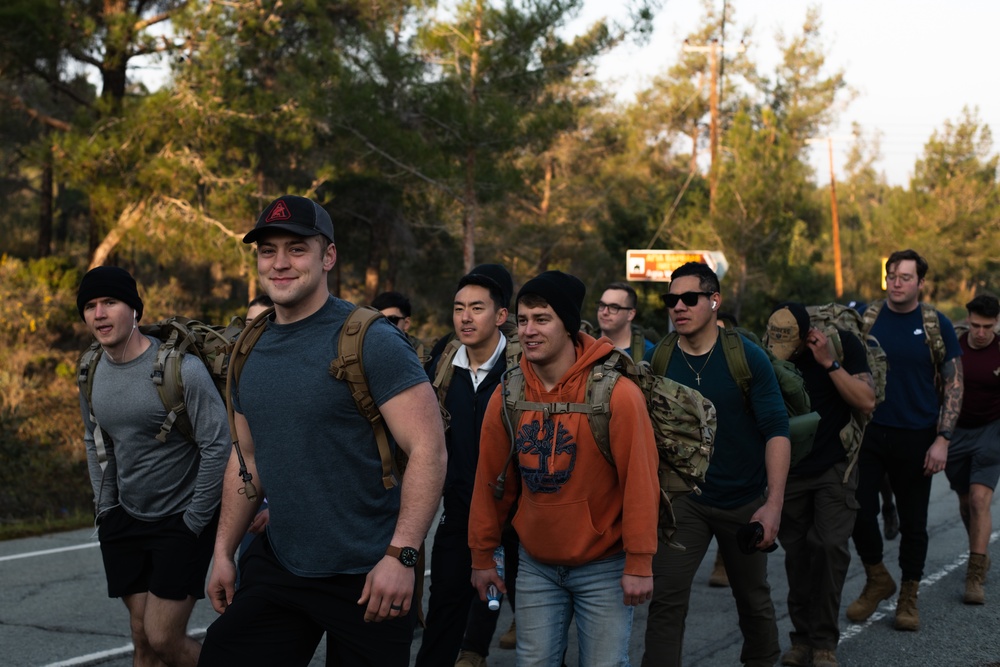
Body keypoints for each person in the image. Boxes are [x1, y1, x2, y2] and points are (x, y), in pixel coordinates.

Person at [198, 194, 447, 666]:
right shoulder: (249, 347)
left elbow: (428, 450)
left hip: (369, 573)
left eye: (296, 249)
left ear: (327, 256)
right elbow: (247, 456)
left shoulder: (371, 340)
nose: (280, 263)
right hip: (282, 562)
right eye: (268, 250)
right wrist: (224, 551)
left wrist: (403, 557)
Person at [468, 270, 659, 666]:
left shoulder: (617, 395)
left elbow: (641, 484)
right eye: (522, 320)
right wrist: (482, 556)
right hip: (536, 566)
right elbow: (490, 483)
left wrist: (640, 562)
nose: (529, 331)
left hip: (604, 566)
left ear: (568, 324)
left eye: (542, 318)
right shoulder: (509, 393)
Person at [77, 266, 229, 667]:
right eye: (90, 306)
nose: (100, 314)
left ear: (135, 311)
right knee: (141, 637)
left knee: (163, 638)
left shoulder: (183, 371)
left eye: (110, 302)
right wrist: (105, 508)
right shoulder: (89, 370)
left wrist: (195, 521)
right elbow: (95, 442)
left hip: (180, 520)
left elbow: (219, 445)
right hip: (125, 517)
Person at [643, 261, 790, 667]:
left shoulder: (747, 358)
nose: (678, 307)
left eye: (689, 298)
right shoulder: (660, 359)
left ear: (714, 301)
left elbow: (777, 429)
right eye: (671, 299)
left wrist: (772, 504)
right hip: (684, 499)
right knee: (665, 602)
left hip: (742, 497)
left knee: (753, 601)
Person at [847, 249, 963, 631]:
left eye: (905, 277)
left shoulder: (936, 324)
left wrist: (943, 439)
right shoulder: (867, 319)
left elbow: (954, 385)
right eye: (892, 276)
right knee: (858, 511)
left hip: (918, 436)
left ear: (920, 283)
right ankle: (878, 576)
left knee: (914, 523)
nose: (896, 283)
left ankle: (908, 596)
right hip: (870, 432)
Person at [764, 303, 875, 667]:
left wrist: (830, 363)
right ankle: (801, 639)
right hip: (791, 469)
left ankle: (824, 642)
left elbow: (866, 401)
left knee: (828, 547)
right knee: (798, 558)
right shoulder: (767, 351)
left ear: (807, 335)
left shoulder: (840, 345)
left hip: (833, 468)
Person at [416, 264, 514, 667]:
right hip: (459, 512)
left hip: (518, 517)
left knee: (536, 616)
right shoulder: (441, 363)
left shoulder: (523, 366)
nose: (466, 318)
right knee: (443, 609)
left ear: (501, 315)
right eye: (459, 308)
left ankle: (477, 648)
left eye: (477, 308)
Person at [946, 294, 1000, 604]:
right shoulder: (954, 347)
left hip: (992, 431)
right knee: (966, 502)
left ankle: (974, 575)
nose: (980, 333)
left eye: (987, 327)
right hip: (956, 432)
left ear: (997, 323)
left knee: (980, 500)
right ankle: (979, 550)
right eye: (975, 325)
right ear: (967, 319)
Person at [596, 282, 654, 359]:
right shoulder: (583, 346)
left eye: (614, 307)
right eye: (602, 305)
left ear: (630, 314)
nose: (605, 312)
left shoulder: (648, 353)